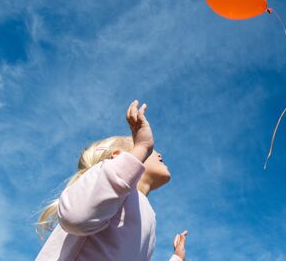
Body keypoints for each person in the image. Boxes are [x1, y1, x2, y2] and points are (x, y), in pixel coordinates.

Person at [36, 100, 188, 261]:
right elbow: (76, 217)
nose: (158, 153)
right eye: (150, 150)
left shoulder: (147, 214)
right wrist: (142, 147)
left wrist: (177, 258)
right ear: (118, 157)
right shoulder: (104, 190)